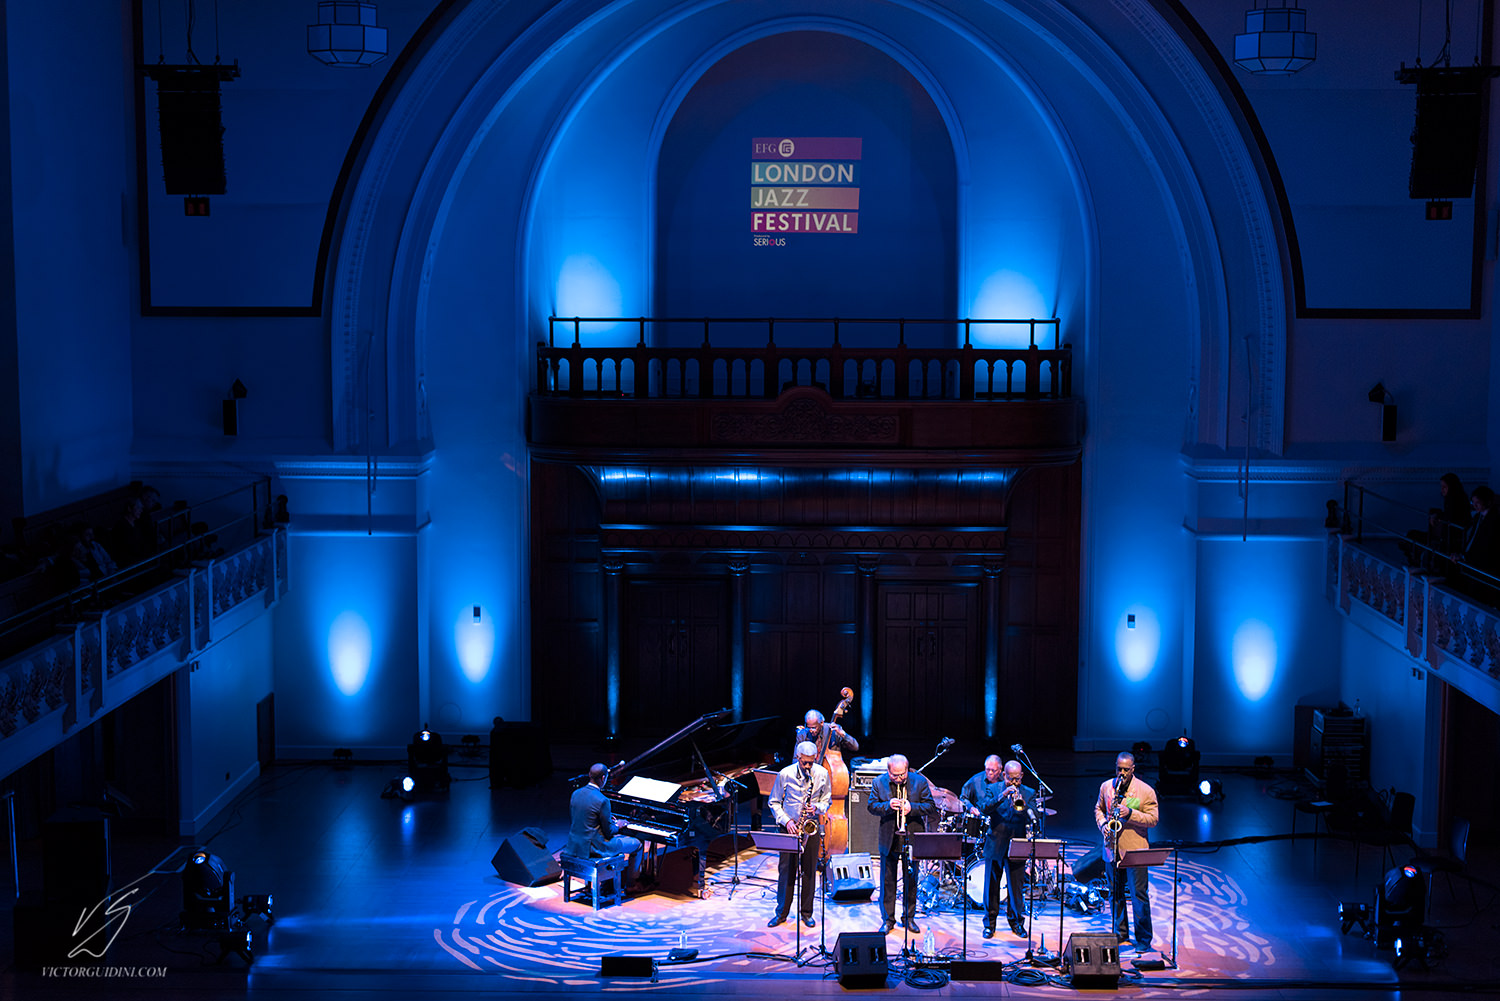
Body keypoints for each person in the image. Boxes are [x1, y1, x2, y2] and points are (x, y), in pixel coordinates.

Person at [960, 755, 1033, 938]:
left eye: (1016, 779)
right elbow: (984, 807)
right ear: (1004, 775)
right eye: (1010, 778)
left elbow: (1037, 815)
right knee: (991, 885)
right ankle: (989, 924)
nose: (1013, 782)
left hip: (1017, 843)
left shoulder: (1029, 792)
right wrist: (1002, 795)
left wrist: (1023, 806)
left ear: (1022, 776)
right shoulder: (993, 788)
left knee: (1016, 887)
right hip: (995, 843)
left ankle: (1017, 923)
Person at [1093, 752, 1158, 952]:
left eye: (1125, 770)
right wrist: (1103, 823)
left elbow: (1153, 819)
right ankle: (1120, 933)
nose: (1121, 773)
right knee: (1115, 894)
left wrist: (1130, 814)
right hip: (1112, 849)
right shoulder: (1106, 787)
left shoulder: (1145, 791)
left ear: (1133, 769)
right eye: (1119, 769)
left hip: (1135, 850)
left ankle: (1144, 939)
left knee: (1139, 895)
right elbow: (1098, 809)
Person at [867, 753, 936, 935]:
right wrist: (888, 805)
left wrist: (911, 807)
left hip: (912, 837)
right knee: (887, 881)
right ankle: (888, 920)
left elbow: (930, 806)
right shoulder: (879, 782)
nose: (899, 779)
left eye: (902, 775)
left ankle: (909, 918)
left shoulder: (919, 782)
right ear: (888, 771)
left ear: (907, 769)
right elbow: (872, 806)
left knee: (911, 881)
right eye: (895, 775)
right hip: (889, 837)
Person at [766, 740, 831, 928]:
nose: (809, 766)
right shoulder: (785, 774)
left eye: (811, 762)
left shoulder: (822, 774)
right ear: (798, 758)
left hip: (810, 827)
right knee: (786, 871)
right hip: (789, 828)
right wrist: (787, 821)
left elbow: (827, 800)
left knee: (809, 870)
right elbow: (774, 802)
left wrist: (817, 807)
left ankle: (806, 913)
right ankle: (781, 913)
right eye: (805, 763)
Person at [564, 763, 642, 892]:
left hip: (576, 845)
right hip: (595, 848)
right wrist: (619, 825)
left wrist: (603, 820)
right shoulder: (603, 800)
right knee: (637, 845)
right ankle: (631, 885)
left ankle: (608, 882)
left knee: (617, 839)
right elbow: (609, 831)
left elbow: (583, 820)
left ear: (589, 775)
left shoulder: (575, 794)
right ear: (603, 778)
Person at [795, 709, 859, 758]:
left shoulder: (833, 731)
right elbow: (796, 757)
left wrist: (843, 734)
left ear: (822, 723)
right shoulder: (802, 734)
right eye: (809, 727)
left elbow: (855, 747)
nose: (811, 730)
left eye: (814, 728)